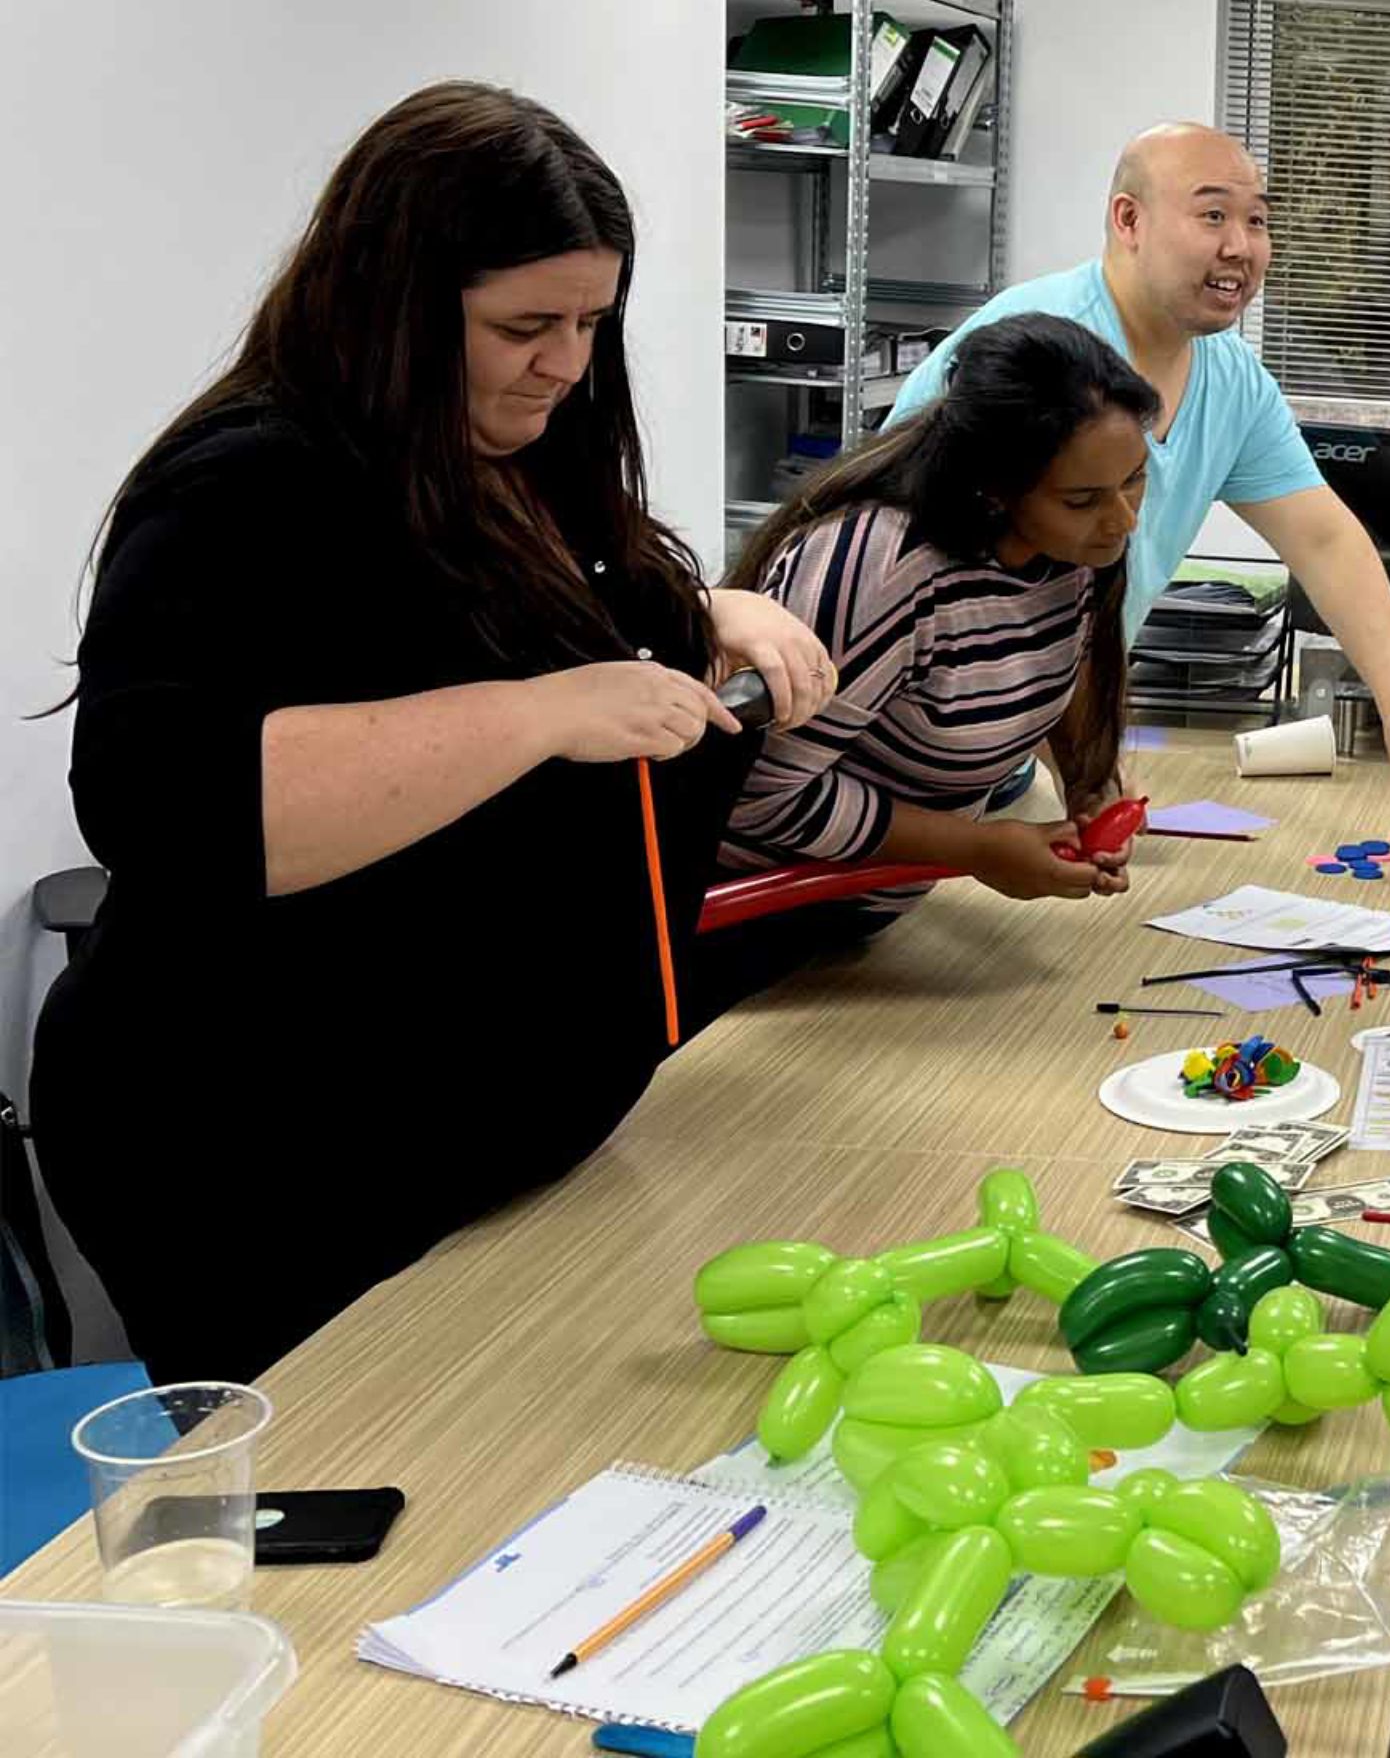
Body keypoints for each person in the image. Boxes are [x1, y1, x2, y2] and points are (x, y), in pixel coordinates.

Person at [35, 83, 835, 1384]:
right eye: (524, 327)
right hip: (258, 1145)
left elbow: (555, 628)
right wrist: (534, 716)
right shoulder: (250, 484)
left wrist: (703, 614)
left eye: (591, 323)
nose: (567, 363)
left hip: (484, 1138)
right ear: (395, 305)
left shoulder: (515, 446)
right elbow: (166, 807)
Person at [888, 123, 1390, 803]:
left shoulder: (1231, 378)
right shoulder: (1036, 352)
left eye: (1257, 220)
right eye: (1213, 215)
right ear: (1129, 220)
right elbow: (930, 567)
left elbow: (1324, 539)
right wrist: (1080, 758)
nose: (1240, 247)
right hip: (911, 744)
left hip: (1017, 745)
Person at [716, 314, 1155, 957]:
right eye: (1083, 499)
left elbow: (1057, 675)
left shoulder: (1075, 552)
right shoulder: (881, 566)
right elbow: (754, 797)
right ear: (996, 489)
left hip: (861, 920)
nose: (1123, 519)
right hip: (749, 918)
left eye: (1134, 479)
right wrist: (976, 849)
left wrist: (1093, 791)